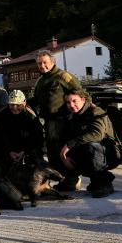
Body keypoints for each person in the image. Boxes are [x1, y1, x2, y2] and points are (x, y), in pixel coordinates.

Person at [31, 50, 82, 190]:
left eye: (45, 62)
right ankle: (64, 180)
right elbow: (35, 99)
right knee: (53, 153)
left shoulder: (63, 76)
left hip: (64, 121)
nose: (42, 65)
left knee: (65, 151)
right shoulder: (41, 81)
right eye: (39, 63)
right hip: (49, 122)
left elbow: (80, 93)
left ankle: (72, 180)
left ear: (52, 62)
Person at [61, 89, 121, 198]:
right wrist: (64, 155)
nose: (71, 105)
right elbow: (67, 137)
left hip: (110, 153)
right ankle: (72, 179)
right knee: (63, 148)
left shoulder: (95, 111)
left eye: (75, 101)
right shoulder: (73, 116)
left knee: (91, 146)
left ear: (83, 99)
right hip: (90, 151)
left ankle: (103, 183)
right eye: (68, 102)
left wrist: (69, 145)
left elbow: (97, 134)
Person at [0, 90, 44, 169]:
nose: (15, 108)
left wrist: (24, 151)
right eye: (12, 105)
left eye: (18, 105)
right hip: (9, 148)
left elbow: (37, 137)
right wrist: (10, 151)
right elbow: (1, 135)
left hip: (27, 147)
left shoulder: (31, 116)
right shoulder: (3, 115)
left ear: (24, 103)